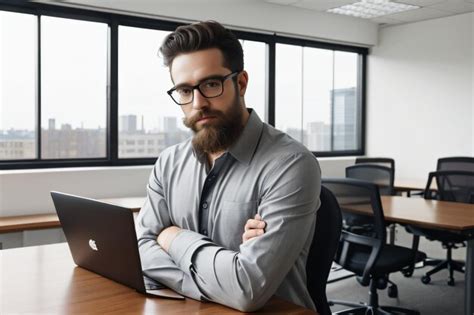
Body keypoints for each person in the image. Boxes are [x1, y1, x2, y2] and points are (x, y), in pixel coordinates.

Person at [136, 20, 321, 312]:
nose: (198, 103)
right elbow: (140, 247)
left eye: (211, 84)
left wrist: (172, 236)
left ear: (241, 82)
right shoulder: (169, 162)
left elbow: (246, 289)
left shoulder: (290, 164)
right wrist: (219, 279)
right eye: (184, 90)